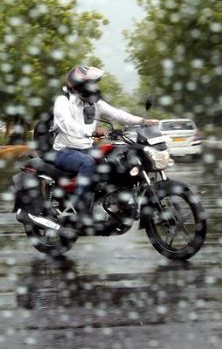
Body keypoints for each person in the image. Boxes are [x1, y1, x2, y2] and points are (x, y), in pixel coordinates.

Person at [51, 65, 156, 227]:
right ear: (79, 86)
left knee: (115, 161)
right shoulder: (63, 101)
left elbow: (117, 114)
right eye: (91, 84)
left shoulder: (94, 103)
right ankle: (78, 209)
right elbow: (66, 124)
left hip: (87, 149)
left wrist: (142, 121)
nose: (94, 87)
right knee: (87, 163)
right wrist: (91, 132)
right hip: (64, 151)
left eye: (94, 84)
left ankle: (112, 205)